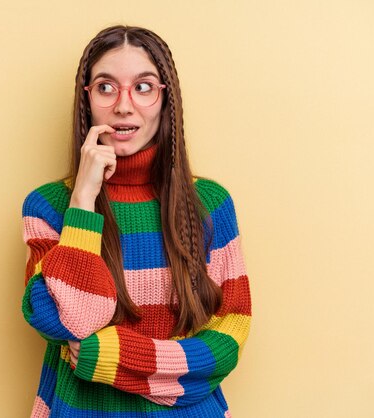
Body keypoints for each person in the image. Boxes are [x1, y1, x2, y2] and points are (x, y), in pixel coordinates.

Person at [21, 25, 251, 417]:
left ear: (165, 98)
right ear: (87, 99)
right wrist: (83, 200)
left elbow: (231, 333)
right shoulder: (49, 206)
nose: (124, 106)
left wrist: (110, 354)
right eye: (106, 87)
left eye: (143, 87)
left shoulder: (209, 204)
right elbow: (67, 321)